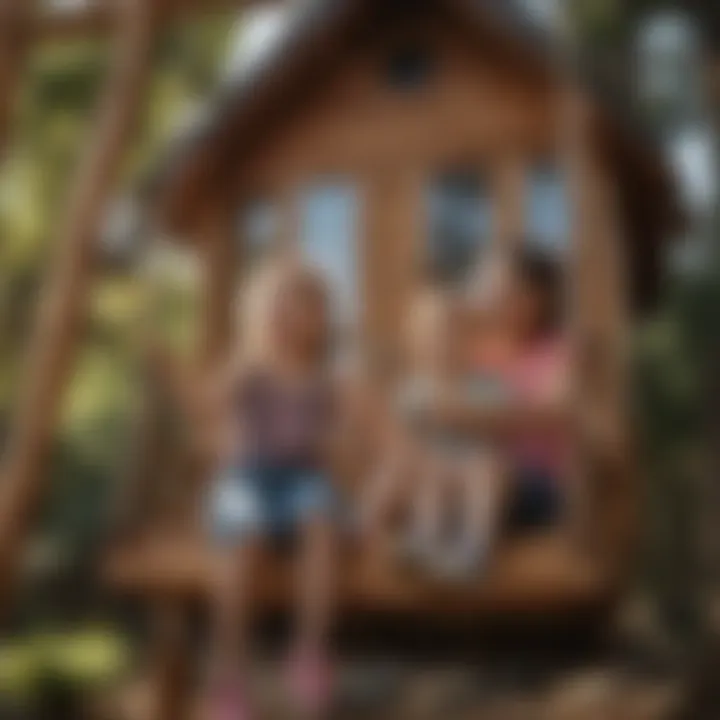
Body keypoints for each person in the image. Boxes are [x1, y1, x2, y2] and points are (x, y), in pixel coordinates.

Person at [155, 258, 340, 719]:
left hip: (301, 481)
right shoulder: (247, 369)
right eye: (273, 309)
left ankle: (309, 650)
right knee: (243, 544)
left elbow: (335, 443)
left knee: (321, 524)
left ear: (316, 321)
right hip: (246, 480)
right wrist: (172, 370)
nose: (283, 319)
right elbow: (204, 407)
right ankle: (228, 673)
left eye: (297, 308)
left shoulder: (320, 381)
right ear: (255, 318)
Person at [362, 286, 503, 578]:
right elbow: (400, 443)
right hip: (430, 474)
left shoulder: (486, 385)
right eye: (433, 335)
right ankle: (427, 543)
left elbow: (499, 431)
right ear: (418, 343)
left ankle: (475, 550)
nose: (443, 343)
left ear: (468, 339)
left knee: (485, 465)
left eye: (453, 333)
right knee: (426, 475)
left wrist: (458, 414)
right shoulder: (411, 392)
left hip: (472, 473)